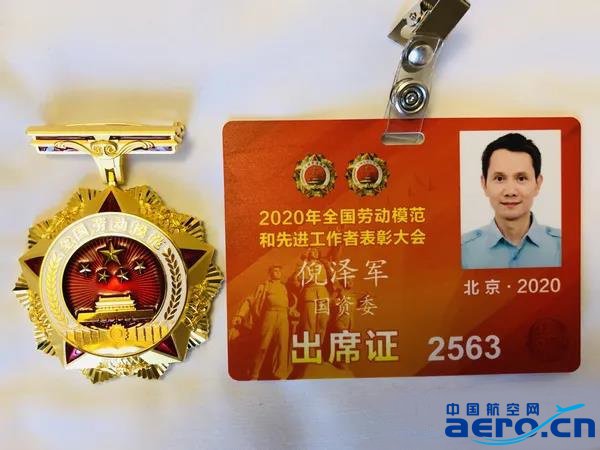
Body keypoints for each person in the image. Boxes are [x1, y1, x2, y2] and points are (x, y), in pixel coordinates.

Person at [462, 133, 561, 269]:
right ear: (484, 184)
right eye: (499, 178)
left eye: (521, 178)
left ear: (538, 184)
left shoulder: (563, 247)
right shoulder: (463, 251)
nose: (510, 192)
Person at [246, 265, 297, 380]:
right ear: (270, 273)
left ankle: (281, 374)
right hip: (270, 315)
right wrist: (240, 315)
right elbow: (251, 300)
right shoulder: (264, 286)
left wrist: (291, 310)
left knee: (282, 346)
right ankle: (254, 373)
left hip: (283, 316)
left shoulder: (285, 287)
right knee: (263, 346)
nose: (277, 272)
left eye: (279, 271)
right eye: (275, 271)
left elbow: (291, 301)